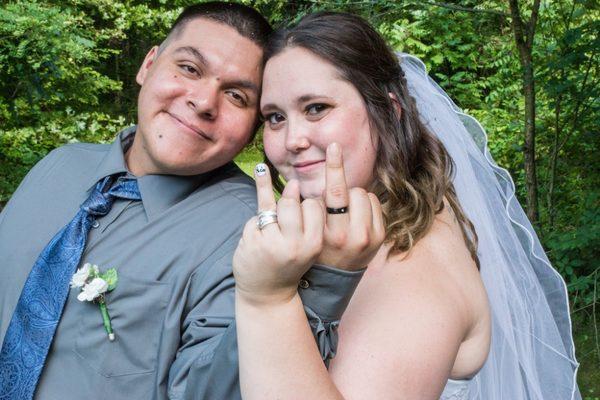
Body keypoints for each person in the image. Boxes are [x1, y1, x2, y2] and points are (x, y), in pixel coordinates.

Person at [0, 4, 364, 399]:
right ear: (148, 64)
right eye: (190, 68)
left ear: (252, 129)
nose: (205, 101)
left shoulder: (251, 236)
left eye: (237, 96)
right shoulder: (59, 164)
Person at [233, 11, 580, 399]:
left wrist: (266, 300)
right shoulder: (384, 224)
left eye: (316, 108)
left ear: (389, 109)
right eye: (276, 117)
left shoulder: (415, 267)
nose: (293, 138)